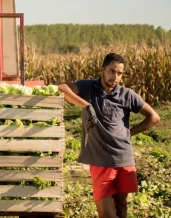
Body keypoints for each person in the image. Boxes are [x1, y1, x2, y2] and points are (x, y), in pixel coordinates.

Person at [58, 53, 160, 218]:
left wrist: (129, 133)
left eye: (119, 73)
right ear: (102, 69)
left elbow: (154, 117)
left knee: (121, 207)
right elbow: (61, 88)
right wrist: (87, 106)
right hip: (100, 160)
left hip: (124, 158)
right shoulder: (88, 87)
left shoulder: (127, 95)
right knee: (106, 213)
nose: (115, 77)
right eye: (112, 71)